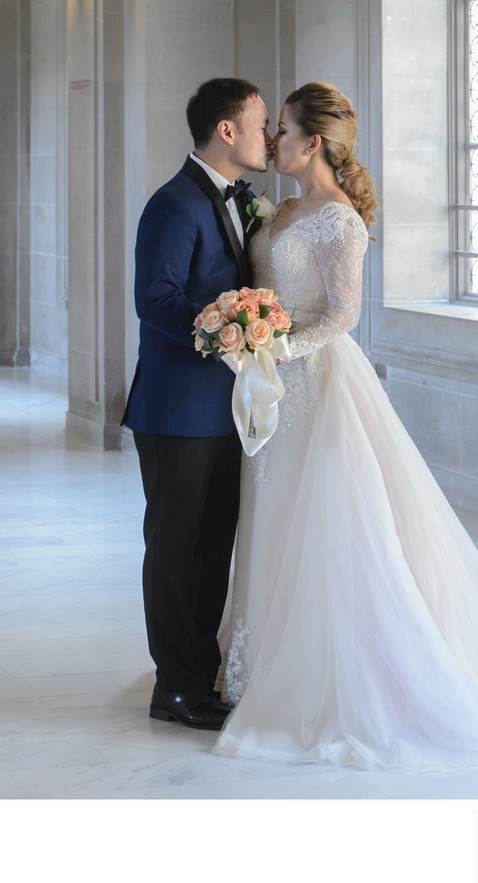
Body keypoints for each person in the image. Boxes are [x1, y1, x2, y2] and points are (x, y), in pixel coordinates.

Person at [213, 81, 478, 771]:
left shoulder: (339, 220)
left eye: (281, 128)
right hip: (273, 387)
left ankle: (336, 679)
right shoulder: (278, 211)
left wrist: (275, 346)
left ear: (312, 141)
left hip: (320, 382)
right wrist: (253, 338)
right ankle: (262, 658)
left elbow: (343, 314)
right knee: (274, 514)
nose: (272, 139)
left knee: (335, 525)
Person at [121, 78, 271, 730]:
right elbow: (154, 301)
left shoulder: (239, 200)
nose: (270, 136)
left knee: (212, 550)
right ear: (227, 130)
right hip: (176, 410)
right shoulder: (174, 203)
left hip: (222, 410)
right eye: (262, 123)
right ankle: (174, 688)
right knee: (177, 550)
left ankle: (198, 673)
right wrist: (225, 326)